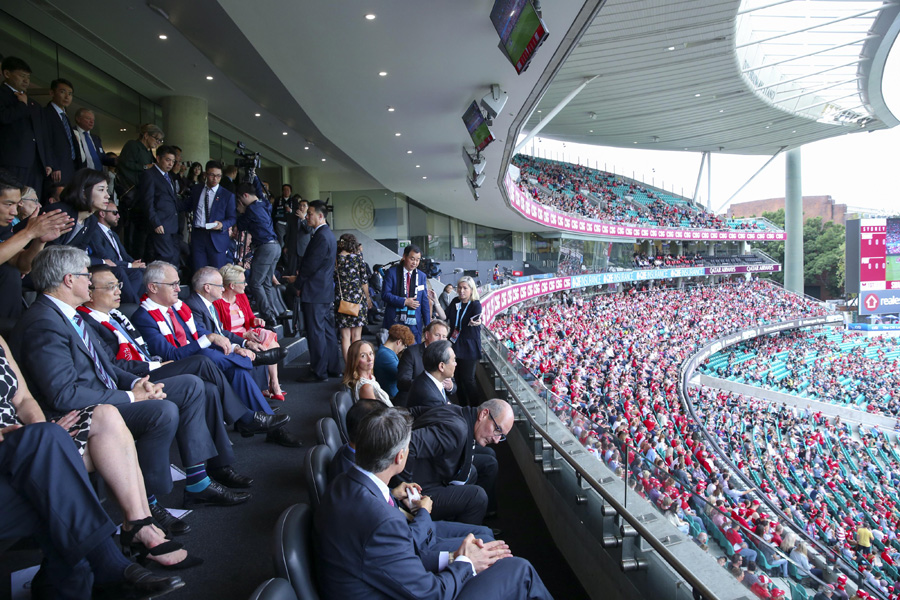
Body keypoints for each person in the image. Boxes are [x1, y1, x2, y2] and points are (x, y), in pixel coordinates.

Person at [10, 245, 250, 515]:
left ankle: (197, 484)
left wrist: (139, 384)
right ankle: (148, 503)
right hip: (84, 411)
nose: (89, 282)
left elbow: (108, 365)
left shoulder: (68, 315)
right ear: (69, 279)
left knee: (192, 385)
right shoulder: (44, 323)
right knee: (163, 410)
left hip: (108, 392)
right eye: (86, 276)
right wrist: (132, 396)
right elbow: (64, 395)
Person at [0, 332, 199, 569]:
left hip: (27, 437)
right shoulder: (43, 322)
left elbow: (23, 400)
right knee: (158, 411)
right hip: (9, 445)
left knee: (105, 414)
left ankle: (139, 523)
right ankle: (112, 555)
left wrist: (38, 429)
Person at [314, 405, 553, 600]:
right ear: (400, 457)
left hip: (380, 580)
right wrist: (465, 563)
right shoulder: (382, 523)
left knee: (489, 548)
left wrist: (453, 558)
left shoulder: (344, 481)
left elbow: (396, 556)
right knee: (521, 571)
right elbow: (433, 593)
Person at [130, 261, 301, 447]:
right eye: (173, 284)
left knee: (237, 371)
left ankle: (266, 427)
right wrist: (212, 340)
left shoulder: (178, 308)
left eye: (178, 283)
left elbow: (201, 333)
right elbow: (171, 354)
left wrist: (234, 347)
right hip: (174, 367)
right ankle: (251, 401)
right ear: (153, 287)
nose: (178, 289)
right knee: (207, 358)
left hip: (196, 359)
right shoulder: (143, 317)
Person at [402, 399, 512, 525]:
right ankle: (462, 535)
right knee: (478, 497)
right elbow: (408, 445)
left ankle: (452, 522)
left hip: (430, 475)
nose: (497, 440)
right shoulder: (456, 430)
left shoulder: (458, 412)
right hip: (419, 491)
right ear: (483, 414)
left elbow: (414, 412)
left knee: (471, 473)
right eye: (497, 430)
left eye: (501, 436)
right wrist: (407, 491)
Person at [193, 265, 287, 400]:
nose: (246, 284)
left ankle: (273, 384)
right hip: (233, 337)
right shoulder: (216, 303)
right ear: (232, 285)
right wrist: (244, 338)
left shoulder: (241, 297)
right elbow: (221, 331)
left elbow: (250, 318)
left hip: (245, 332)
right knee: (261, 348)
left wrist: (255, 321)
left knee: (270, 341)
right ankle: (269, 386)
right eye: (243, 282)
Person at [0, 173, 72, 319]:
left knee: (11, 271)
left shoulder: (3, 227)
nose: (14, 212)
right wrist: (28, 233)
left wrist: (39, 240)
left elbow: (23, 266)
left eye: (16, 205)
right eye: (8, 204)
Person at [296, 199, 342, 382]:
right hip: (323, 291)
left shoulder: (321, 236)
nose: (307, 216)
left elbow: (310, 266)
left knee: (316, 333)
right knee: (328, 332)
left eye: (310, 214)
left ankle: (319, 371)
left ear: (321, 216)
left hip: (315, 292)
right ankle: (333, 368)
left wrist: (297, 284)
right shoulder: (327, 234)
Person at [0, 57, 52, 199]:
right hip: (12, 160)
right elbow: (4, 117)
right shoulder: (2, 94)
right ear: (7, 74)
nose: (26, 81)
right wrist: (22, 105)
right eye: (22, 76)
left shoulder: (33, 103)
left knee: (32, 201)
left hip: (35, 163)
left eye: (28, 77)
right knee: (13, 200)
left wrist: (46, 161)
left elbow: (41, 134)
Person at [235, 182, 282, 324]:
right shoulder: (265, 204)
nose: (240, 202)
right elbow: (261, 193)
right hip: (275, 246)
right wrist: (255, 177)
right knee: (266, 282)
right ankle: (273, 314)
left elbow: (241, 226)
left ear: (245, 195)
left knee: (255, 283)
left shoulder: (250, 210)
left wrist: (241, 211)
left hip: (265, 247)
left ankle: (267, 316)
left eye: (240, 199)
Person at [115, 123, 163, 258]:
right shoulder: (132, 145)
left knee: (143, 234)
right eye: (156, 139)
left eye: (160, 140)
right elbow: (124, 164)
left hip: (143, 195)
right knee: (133, 232)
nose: (157, 142)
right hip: (133, 195)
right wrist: (145, 167)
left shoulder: (148, 151)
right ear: (146, 135)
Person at [83, 200, 145, 302]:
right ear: (102, 214)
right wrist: (130, 265)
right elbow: (103, 256)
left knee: (143, 271)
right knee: (133, 273)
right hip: (106, 267)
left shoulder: (114, 234)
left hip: (120, 266)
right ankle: (133, 304)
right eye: (115, 213)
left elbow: (124, 255)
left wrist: (136, 263)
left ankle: (135, 302)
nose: (118, 216)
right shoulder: (95, 232)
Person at [187, 160, 235, 271]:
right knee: (199, 272)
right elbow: (187, 205)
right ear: (205, 174)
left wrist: (222, 224)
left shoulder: (227, 195)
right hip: (198, 235)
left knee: (217, 272)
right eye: (212, 175)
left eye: (218, 176)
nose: (215, 179)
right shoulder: (197, 189)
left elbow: (232, 218)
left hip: (217, 237)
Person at [396, 319, 455, 407]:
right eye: (437, 335)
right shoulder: (411, 352)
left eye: (444, 337)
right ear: (427, 335)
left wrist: (450, 386)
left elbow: (453, 385)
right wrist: (430, 384)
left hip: (438, 401)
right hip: (415, 402)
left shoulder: (447, 354)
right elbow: (402, 382)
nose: (440, 340)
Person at [445, 275, 483, 407]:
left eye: (465, 288)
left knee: (468, 379)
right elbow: (445, 316)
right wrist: (435, 303)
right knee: (457, 379)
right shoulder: (455, 301)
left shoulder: (475, 304)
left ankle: (474, 408)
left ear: (471, 290)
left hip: (469, 346)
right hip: (454, 344)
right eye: (459, 288)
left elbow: (477, 318)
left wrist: (478, 321)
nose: (461, 291)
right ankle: (462, 406)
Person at [382, 244, 430, 344]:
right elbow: (385, 295)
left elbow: (424, 301)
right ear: (404, 256)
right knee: (395, 350)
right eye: (412, 259)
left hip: (414, 322)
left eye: (418, 260)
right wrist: (404, 301)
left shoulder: (421, 276)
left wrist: (428, 325)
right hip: (395, 320)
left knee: (413, 350)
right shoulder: (392, 272)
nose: (415, 263)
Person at [335, 233, 372, 360]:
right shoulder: (358, 258)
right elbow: (364, 281)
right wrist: (368, 298)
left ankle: (348, 367)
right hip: (358, 300)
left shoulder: (336, 260)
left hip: (342, 301)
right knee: (357, 336)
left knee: (345, 337)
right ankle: (357, 365)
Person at [43, 78, 83, 190]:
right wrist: (54, 165)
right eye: (62, 92)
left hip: (71, 166)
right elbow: (46, 141)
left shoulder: (65, 116)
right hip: (57, 169)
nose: (67, 97)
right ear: (52, 93)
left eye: (70, 94)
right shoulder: (46, 113)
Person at [407, 340, 456, 410]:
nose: (455, 364)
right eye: (453, 360)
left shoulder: (427, 379)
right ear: (441, 366)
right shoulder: (431, 398)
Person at [343, 339, 391, 405]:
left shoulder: (371, 377)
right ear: (355, 361)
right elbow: (377, 411)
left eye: (371, 354)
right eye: (363, 356)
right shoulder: (366, 387)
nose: (370, 359)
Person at [374, 323, 415, 400]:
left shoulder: (386, 352)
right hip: (393, 397)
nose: (403, 348)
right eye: (404, 345)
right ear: (399, 342)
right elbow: (402, 375)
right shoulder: (385, 355)